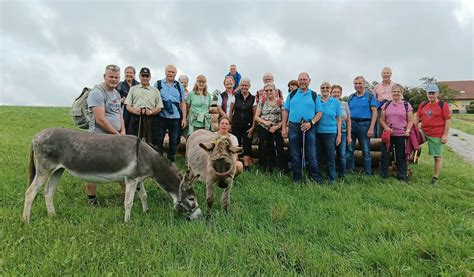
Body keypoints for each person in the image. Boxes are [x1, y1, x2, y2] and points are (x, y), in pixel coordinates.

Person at [85, 64, 125, 205]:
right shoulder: (97, 92)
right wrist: (117, 134)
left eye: (116, 77)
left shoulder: (116, 93)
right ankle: (92, 199)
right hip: (98, 138)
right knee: (93, 167)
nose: (114, 80)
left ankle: (126, 194)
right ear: (104, 76)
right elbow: (100, 119)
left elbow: (120, 114)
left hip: (115, 137)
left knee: (120, 165)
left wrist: (123, 132)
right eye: (111, 77)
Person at [281, 72, 323, 183]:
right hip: (294, 126)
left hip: (309, 126)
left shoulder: (314, 95)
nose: (302, 81)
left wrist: (311, 123)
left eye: (305, 79)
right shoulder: (292, 94)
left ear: (309, 80)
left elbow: (319, 112)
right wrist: (284, 127)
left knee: (311, 154)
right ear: (298, 81)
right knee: (295, 154)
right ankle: (297, 179)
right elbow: (286, 111)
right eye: (300, 79)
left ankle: (314, 178)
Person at [414, 84, 451, 186]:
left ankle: (435, 178)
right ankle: (411, 161)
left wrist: (445, 135)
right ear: (427, 94)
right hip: (423, 131)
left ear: (437, 94)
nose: (431, 95)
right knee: (410, 142)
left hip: (436, 134)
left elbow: (447, 120)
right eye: (429, 93)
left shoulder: (443, 105)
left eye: (433, 93)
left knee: (437, 157)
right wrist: (412, 127)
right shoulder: (423, 104)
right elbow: (417, 117)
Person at [379, 84, 414, 181]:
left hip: (401, 135)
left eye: (398, 91)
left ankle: (401, 176)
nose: (396, 93)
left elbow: (411, 120)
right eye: (394, 91)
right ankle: (383, 175)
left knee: (401, 156)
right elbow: (381, 120)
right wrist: (386, 128)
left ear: (401, 93)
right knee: (385, 155)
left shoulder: (406, 105)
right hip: (388, 135)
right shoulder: (386, 105)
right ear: (391, 92)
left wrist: (408, 130)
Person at [154, 64, 187, 163]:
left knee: (174, 139)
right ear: (165, 72)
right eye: (169, 71)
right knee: (159, 138)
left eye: (173, 72)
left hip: (175, 116)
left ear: (175, 74)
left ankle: (170, 160)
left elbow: (183, 102)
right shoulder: (158, 84)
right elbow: (154, 99)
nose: (170, 74)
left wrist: (184, 118)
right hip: (161, 115)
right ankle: (158, 160)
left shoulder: (179, 85)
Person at [346, 76, 378, 175]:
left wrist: (371, 127)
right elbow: (347, 113)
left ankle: (367, 173)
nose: (357, 85)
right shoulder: (351, 97)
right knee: (350, 150)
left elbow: (375, 112)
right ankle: (350, 172)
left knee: (366, 151)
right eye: (355, 84)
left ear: (364, 84)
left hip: (365, 125)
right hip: (352, 125)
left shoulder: (370, 96)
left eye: (360, 83)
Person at [254, 83, 288, 173]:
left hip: (276, 127)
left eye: (270, 90)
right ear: (264, 92)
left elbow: (285, 117)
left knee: (279, 146)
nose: (269, 92)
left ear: (275, 91)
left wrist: (277, 127)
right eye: (266, 90)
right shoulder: (262, 102)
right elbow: (256, 117)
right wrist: (265, 122)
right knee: (264, 145)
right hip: (264, 126)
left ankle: (282, 168)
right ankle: (265, 167)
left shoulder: (280, 102)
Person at [125, 67, 163, 143]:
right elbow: (127, 105)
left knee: (150, 142)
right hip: (135, 117)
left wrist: (151, 112)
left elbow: (159, 107)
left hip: (150, 118)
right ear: (139, 76)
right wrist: (135, 111)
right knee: (133, 141)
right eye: (143, 76)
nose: (145, 78)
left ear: (150, 77)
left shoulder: (155, 90)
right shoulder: (133, 89)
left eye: (147, 76)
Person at [315, 82, 341, 183]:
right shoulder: (317, 101)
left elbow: (339, 119)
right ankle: (318, 178)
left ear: (330, 89)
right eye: (322, 87)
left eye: (327, 87)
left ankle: (331, 178)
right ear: (320, 89)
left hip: (331, 133)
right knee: (318, 156)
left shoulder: (335, 102)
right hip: (318, 132)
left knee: (330, 157)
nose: (325, 89)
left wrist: (339, 135)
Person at [230, 78, 256, 168]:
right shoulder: (235, 96)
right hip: (236, 125)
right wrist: (230, 123)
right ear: (240, 86)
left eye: (246, 85)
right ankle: (236, 164)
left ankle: (246, 165)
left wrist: (253, 127)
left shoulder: (253, 98)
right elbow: (231, 111)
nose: (244, 87)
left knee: (247, 145)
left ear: (249, 86)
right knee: (236, 144)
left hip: (248, 126)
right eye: (242, 85)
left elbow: (255, 114)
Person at [330, 84, 352, 178]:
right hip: (330, 132)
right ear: (331, 93)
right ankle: (331, 173)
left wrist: (349, 135)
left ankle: (342, 175)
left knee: (342, 154)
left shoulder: (345, 104)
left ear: (341, 93)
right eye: (334, 92)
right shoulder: (328, 103)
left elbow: (348, 120)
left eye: (338, 92)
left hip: (342, 132)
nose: (336, 94)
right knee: (330, 154)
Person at [373, 67, 396, 137]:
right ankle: (379, 143)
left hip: (393, 108)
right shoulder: (377, 86)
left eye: (387, 73)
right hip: (381, 108)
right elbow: (374, 100)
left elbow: (401, 98)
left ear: (391, 74)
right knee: (380, 127)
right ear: (381, 75)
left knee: (394, 126)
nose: (386, 75)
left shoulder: (395, 85)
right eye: (384, 73)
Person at [116, 66, 139, 132]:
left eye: (131, 73)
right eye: (127, 72)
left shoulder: (138, 85)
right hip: (123, 111)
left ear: (134, 74)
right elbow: (114, 98)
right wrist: (121, 100)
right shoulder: (119, 85)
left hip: (135, 111)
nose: (129, 74)